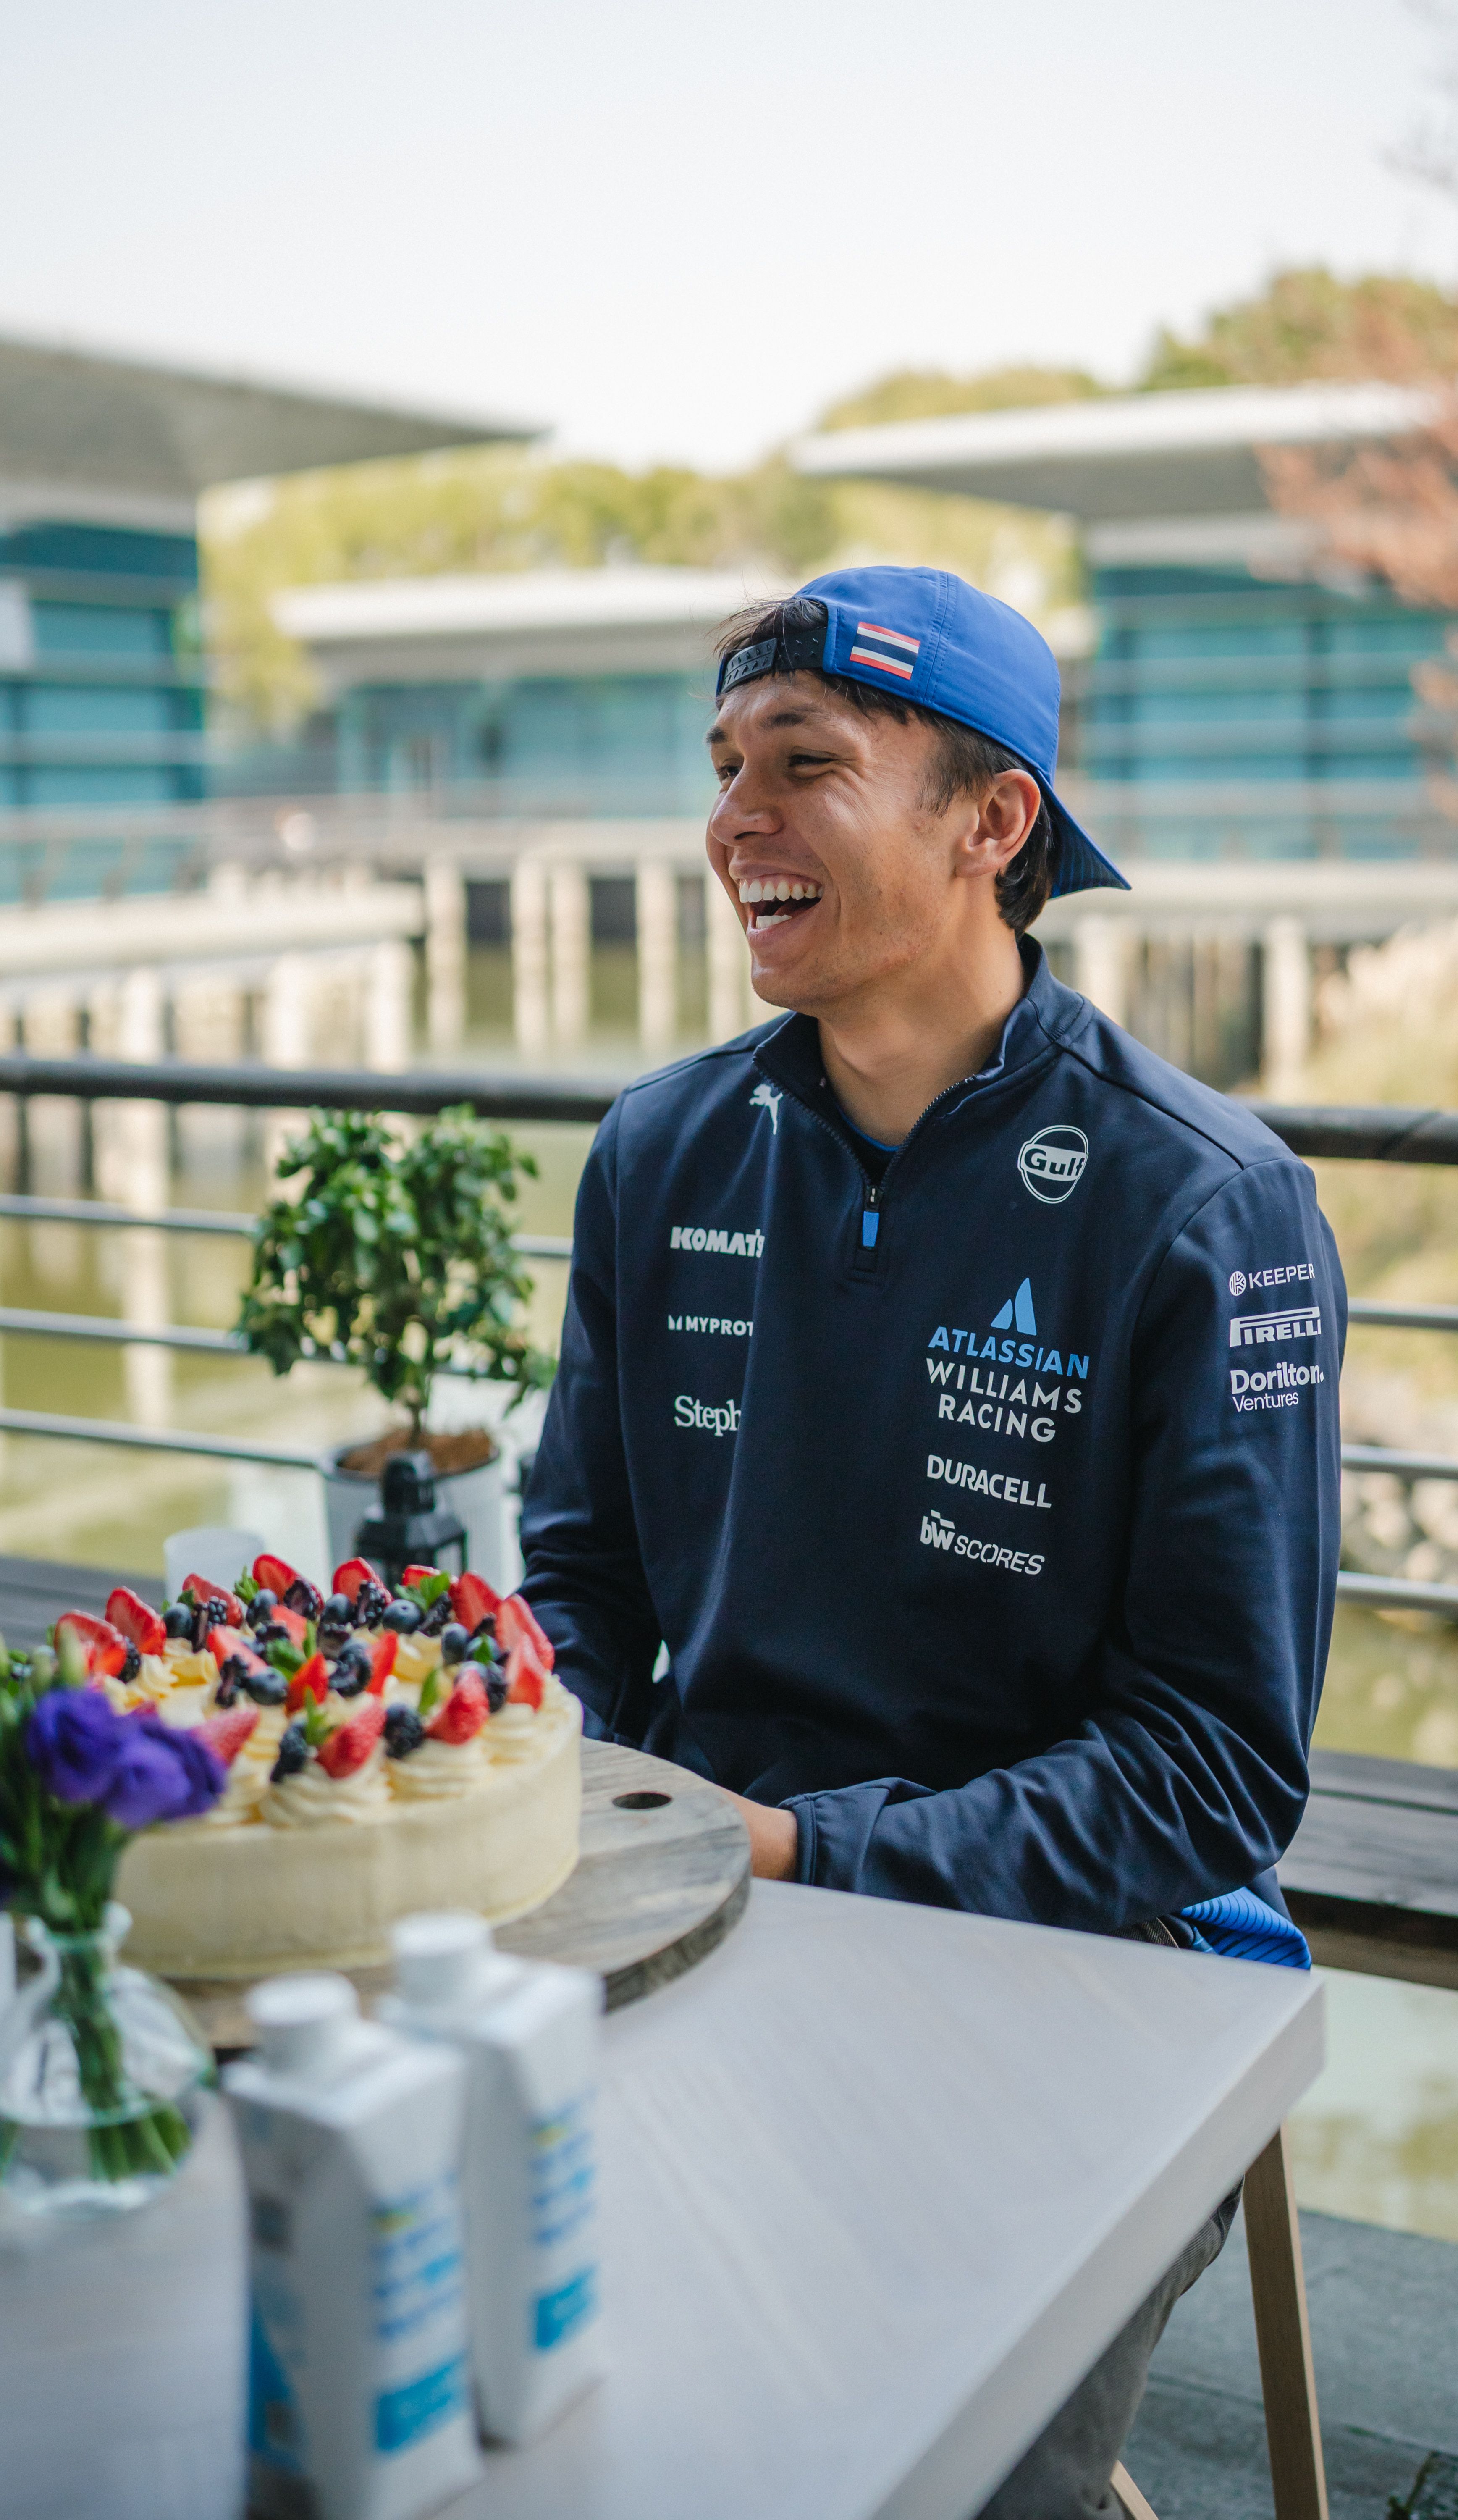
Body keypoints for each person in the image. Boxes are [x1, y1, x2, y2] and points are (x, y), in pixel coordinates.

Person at [519, 564, 1343, 2515]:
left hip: (1086, 1971)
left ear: (994, 826)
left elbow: (1215, 1772)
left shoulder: (1207, 1209)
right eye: (723, 769)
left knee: (914, 2476)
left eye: (803, 768)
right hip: (687, 1916)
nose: (734, 824)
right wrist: (544, 1772)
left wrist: (811, 1852)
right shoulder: (658, 1152)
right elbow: (583, 1578)